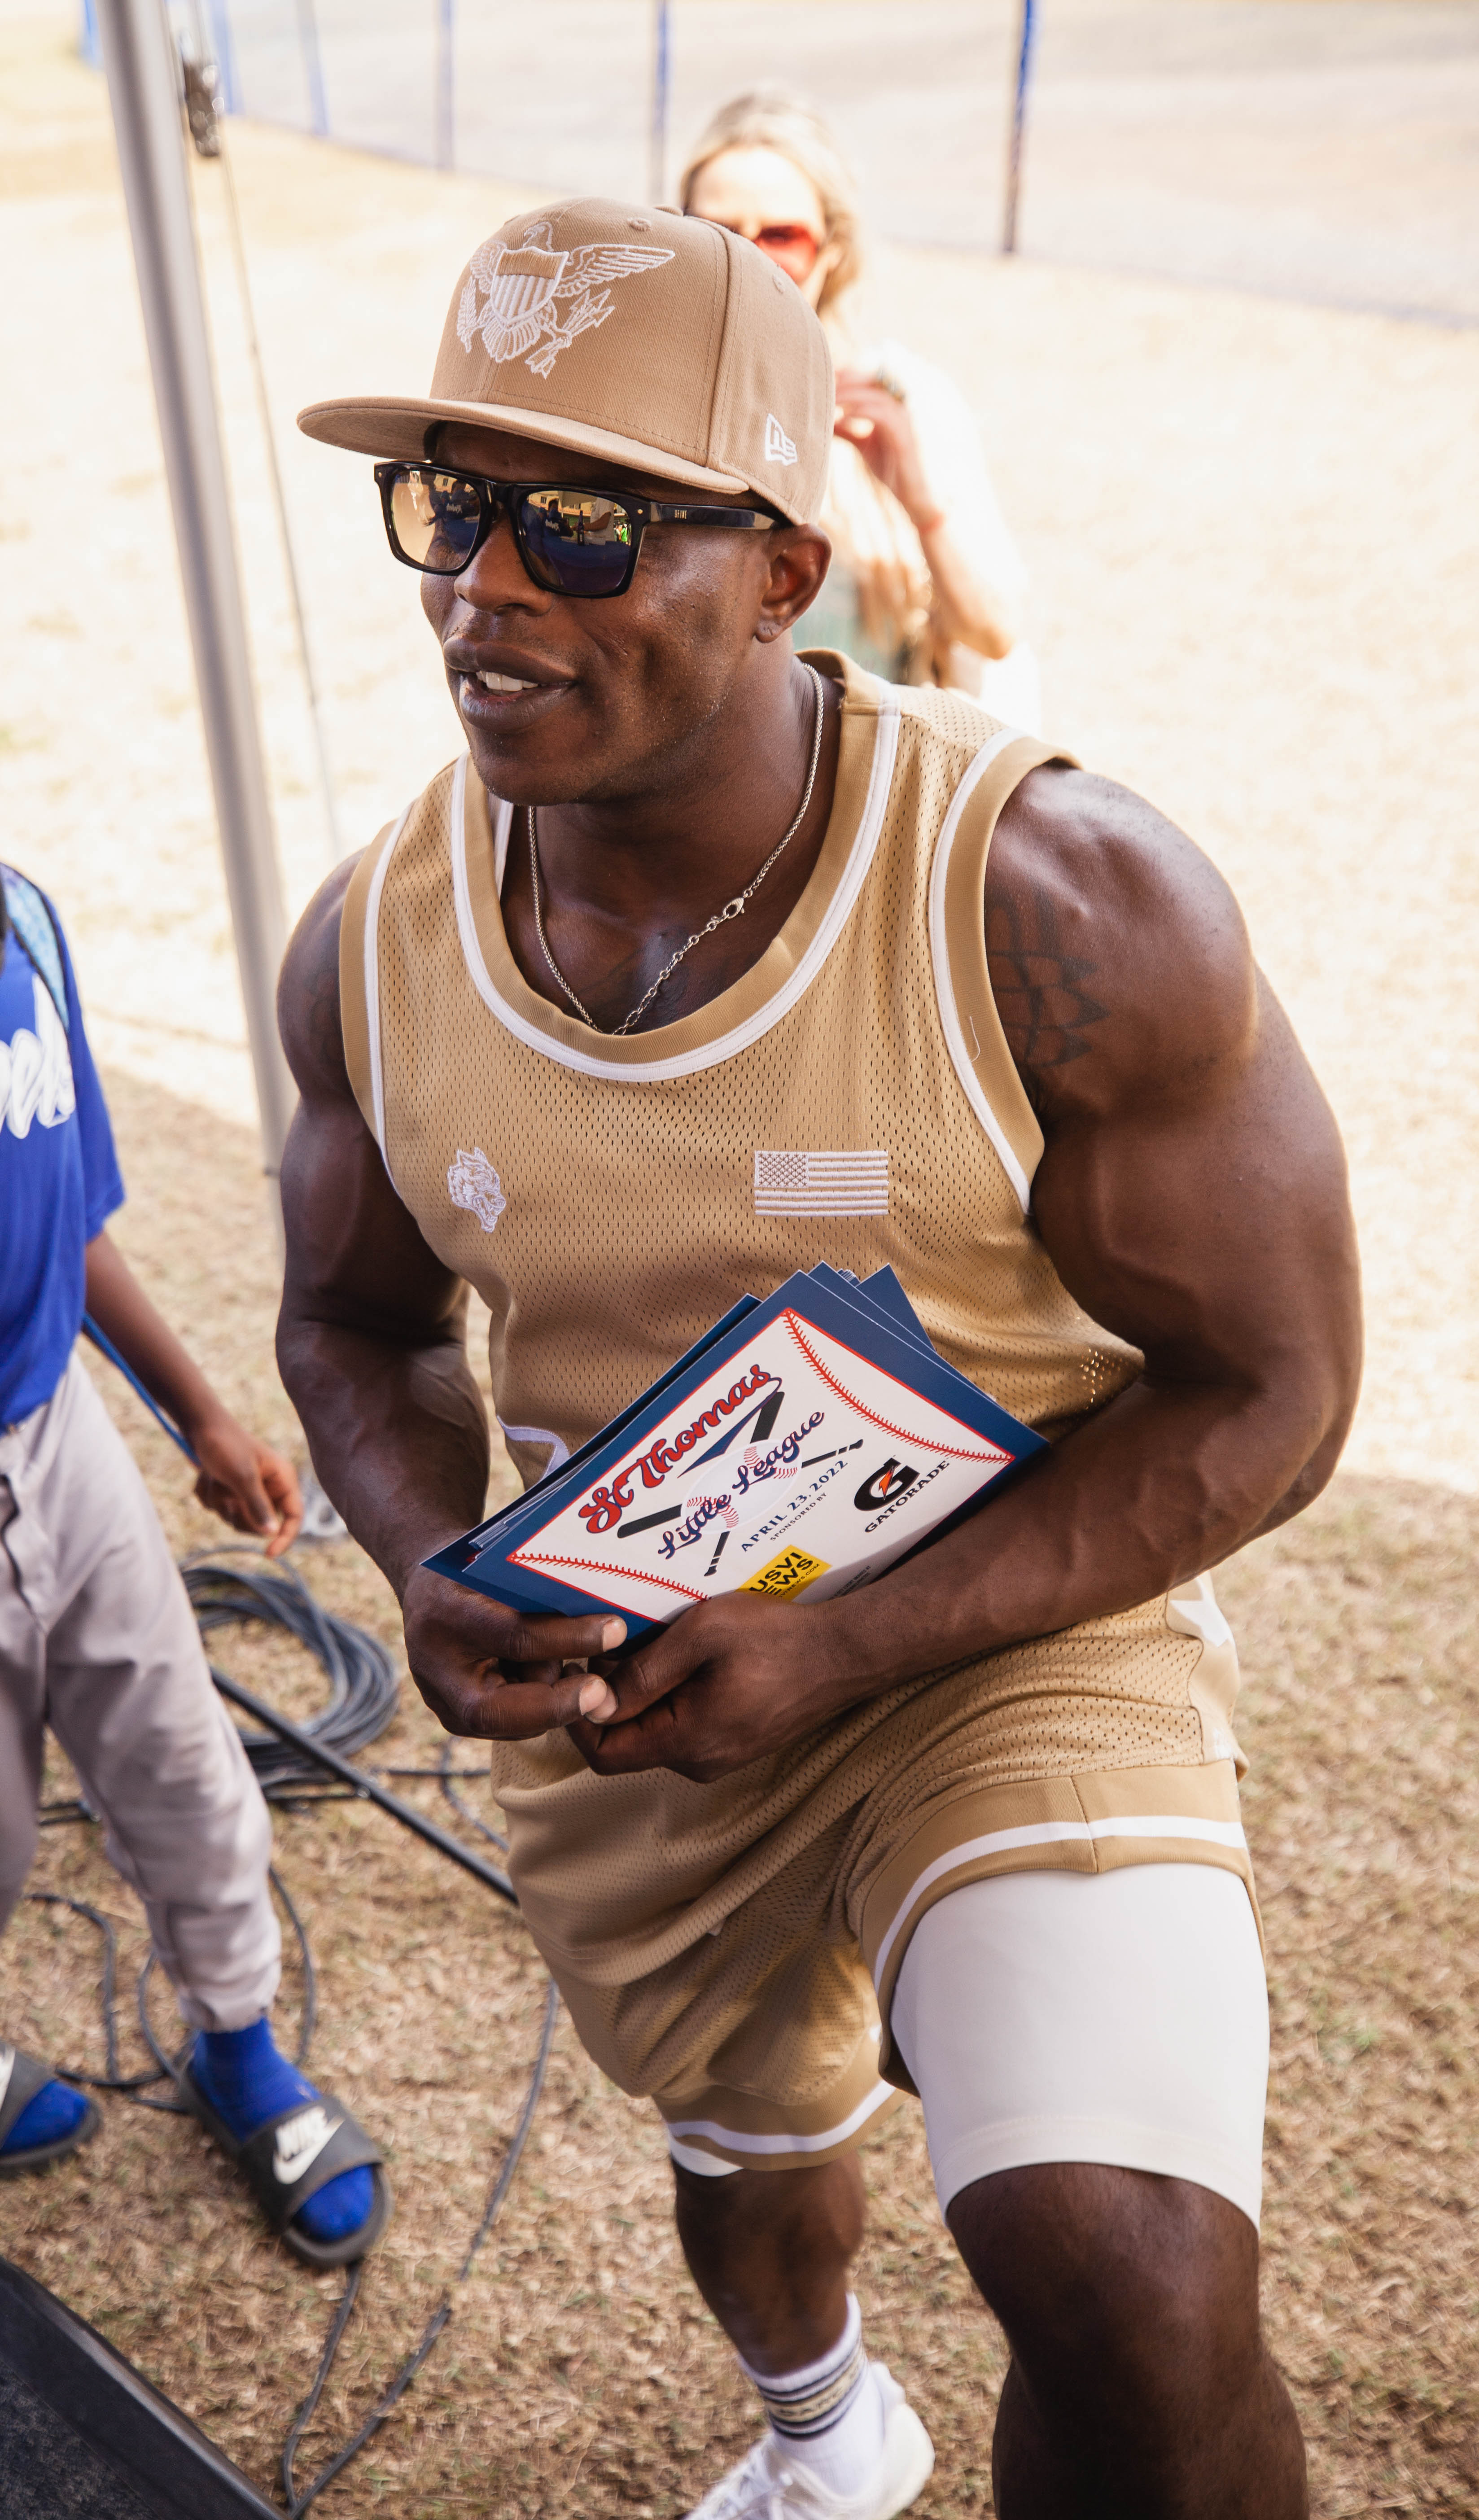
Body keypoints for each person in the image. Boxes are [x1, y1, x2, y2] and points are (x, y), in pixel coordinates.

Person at [281, 197, 1358, 2517]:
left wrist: (856, 1638)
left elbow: (1278, 1388)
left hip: (1005, 1637)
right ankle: (820, 2438)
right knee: (752, 2162)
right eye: (450, 508)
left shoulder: (1059, 909)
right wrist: (424, 1559)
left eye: (579, 521)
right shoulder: (368, 941)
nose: (486, 587)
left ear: (783, 565)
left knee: (1134, 2291)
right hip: (632, 1696)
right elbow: (348, 1327)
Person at [0, 475, 389, 2269]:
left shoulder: (24, 922)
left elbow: (62, 1219)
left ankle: (242, 2048)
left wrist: (200, 1407)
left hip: (53, 1439)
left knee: (184, 1766)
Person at [683, 89, 1040, 731]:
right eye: (718, 233)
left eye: (782, 236)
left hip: (869, 780)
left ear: (834, 250)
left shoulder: (899, 400)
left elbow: (995, 633)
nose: (748, 260)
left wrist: (922, 505)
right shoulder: (647, 399)